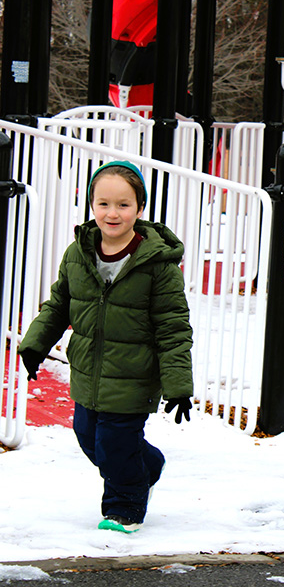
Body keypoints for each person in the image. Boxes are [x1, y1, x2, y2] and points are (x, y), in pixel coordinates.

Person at [18, 160, 194, 533]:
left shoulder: (158, 266)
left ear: (139, 208)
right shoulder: (77, 254)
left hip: (134, 375)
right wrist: (35, 344)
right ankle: (148, 466)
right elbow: (58, 305)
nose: (112, 213)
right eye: (103, 203)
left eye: (123, 204)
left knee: (114, 444)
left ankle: (124, 509)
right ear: (91, 205)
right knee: (89, 438)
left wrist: (178, 384)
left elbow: (173, 328)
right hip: (88, 372)